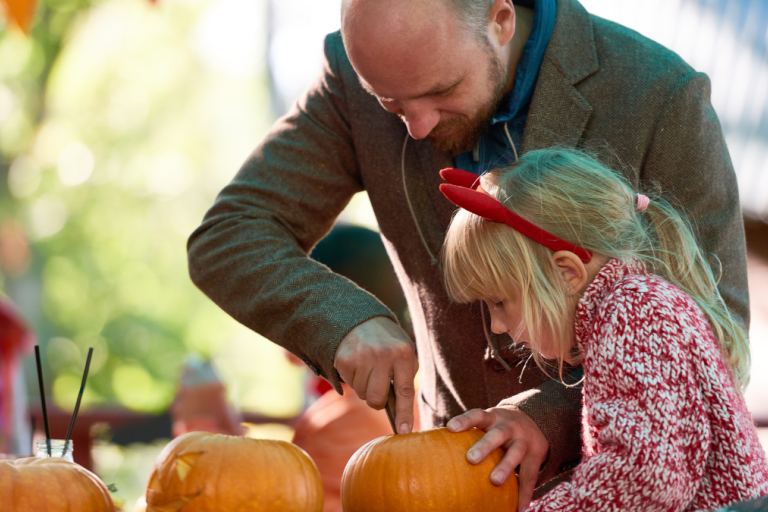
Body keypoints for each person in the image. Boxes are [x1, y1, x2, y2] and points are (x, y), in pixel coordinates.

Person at [187, 0, 749, 503]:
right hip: (440, 484)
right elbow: (230, 234)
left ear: (500, 20)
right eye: (391, 105)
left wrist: (545, 419)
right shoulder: (353, 71)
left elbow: (712, 332)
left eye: (440, 92)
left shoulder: (658, 91)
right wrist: (343, 322)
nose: (419, 126)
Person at [439, 148, 768, 511]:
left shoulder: (632, 312)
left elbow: (644, 480)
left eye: (499, 302)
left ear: (567, 273)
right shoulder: (632, 305)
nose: (497, 325)